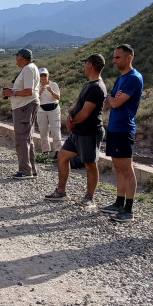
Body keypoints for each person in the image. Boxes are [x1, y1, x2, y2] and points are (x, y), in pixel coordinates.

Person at [46, 54, 107, 206]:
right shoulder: (89, 85)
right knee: (62, 157)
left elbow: (86, 112)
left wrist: (72, 122)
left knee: (90, 164)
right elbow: (79, 105)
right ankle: (61, 191)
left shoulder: (97, 87)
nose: (84, 66)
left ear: (91, 65)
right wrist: (70, 117)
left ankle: (89, 198)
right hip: (78, 131)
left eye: (85, 63)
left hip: (90, 132)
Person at [102, 45, 144, 222]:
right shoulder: (121, 79)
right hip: (114, 128)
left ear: (129, 58)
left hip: (124, 128)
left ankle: (129, 208)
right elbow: (107, 102)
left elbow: (116, 103)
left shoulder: (134, 78)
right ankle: (118, 202)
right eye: (114, 57)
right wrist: (113, 99)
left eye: (118, 57)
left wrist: (113, 100)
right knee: (118, 167)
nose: (114, 61)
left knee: (127, 168)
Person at [2, 49, 40, 179]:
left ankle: (25, 170)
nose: (16, 60)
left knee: (22, 138)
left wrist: (12, 93)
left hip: (25, 106)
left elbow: (29, 91)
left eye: (17, 57)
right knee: (27, 137)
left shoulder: (28, 69)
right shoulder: (30, 68)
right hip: (25, 105)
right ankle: (30, 168)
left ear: (22, 58)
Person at [36, 68, 63, 157]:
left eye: (45, 75)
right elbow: (35, 100)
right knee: (43, 130)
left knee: (55, 130)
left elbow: (58, 97)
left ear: (48, 75)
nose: (43, 77)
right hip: (41, 110)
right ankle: (45, 150)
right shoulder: (36, 86)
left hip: (53, 109)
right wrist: (40, 92)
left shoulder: (54, 84)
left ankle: (58, 150)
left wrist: (51, 91)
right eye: (41, 75)